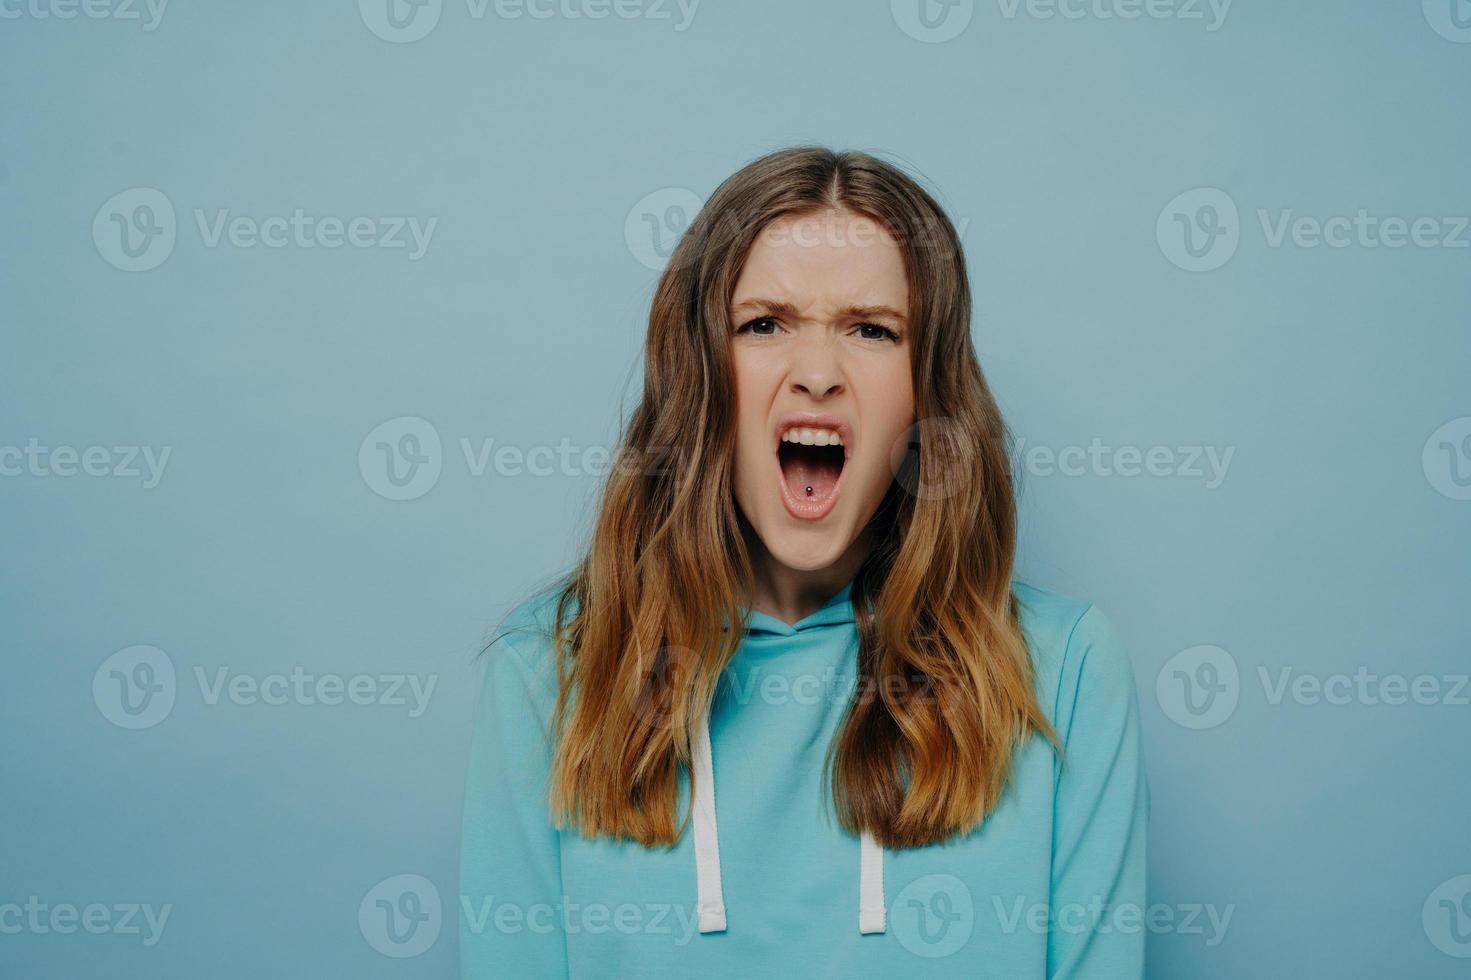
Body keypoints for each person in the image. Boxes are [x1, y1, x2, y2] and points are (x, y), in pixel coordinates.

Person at [461, 146, 1148, 978]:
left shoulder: (1065, 671)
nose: (817, 374)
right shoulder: (549, 672)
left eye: (870, 330)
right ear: (699, 378)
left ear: (927, 394)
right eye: (763, 325)